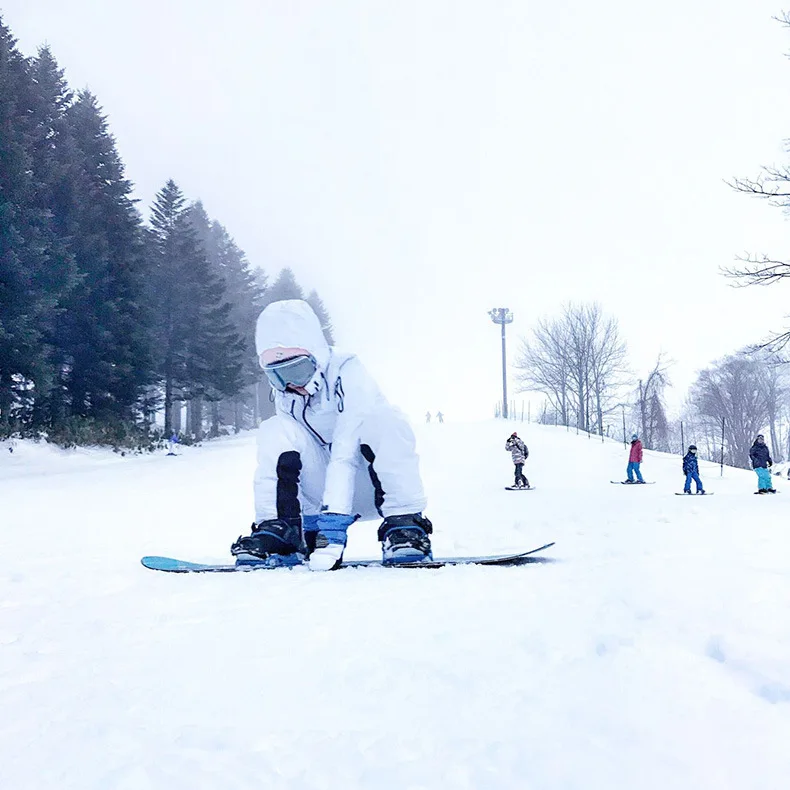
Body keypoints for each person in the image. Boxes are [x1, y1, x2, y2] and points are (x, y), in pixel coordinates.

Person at [231, 299, 433, 571]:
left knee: (384, 420)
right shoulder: (286, 394)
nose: (290, 384)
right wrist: (315, 528)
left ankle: (404, 525)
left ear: (317, 355)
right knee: (275, 430)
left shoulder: (348, 371)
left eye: (297, 370)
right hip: (322, 493)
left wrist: (334, 528)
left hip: (373, 485)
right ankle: (282, 531)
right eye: (277, 376)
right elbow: (297, 457)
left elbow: (345, 451)